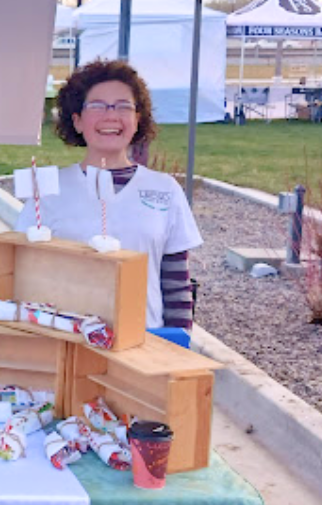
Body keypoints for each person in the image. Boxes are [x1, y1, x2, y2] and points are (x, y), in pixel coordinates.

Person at [16, 59, 201, 333]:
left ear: (138, 119)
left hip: (143, 343)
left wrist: (177, 342)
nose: (111, 116)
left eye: (123, 106)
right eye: (98, 106)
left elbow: (175, 285)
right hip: (67, 342)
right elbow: (25, 276)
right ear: (77, 120)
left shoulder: (166, 189)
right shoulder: (49, 190)